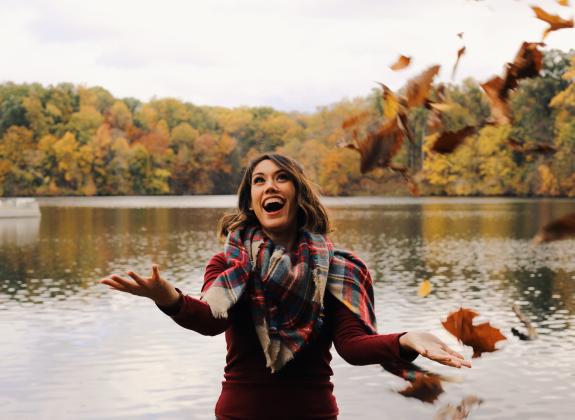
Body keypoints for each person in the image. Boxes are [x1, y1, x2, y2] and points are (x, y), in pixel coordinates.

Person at [101, 153, 471, 419]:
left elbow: (353, 347)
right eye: (258, 181)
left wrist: (406, 339)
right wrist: (167, 297)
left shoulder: (339, 269)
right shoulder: (228, 264)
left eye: (281, 177)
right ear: (251, 201)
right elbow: (211, 320)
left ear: (298, 193)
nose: (269, 186)